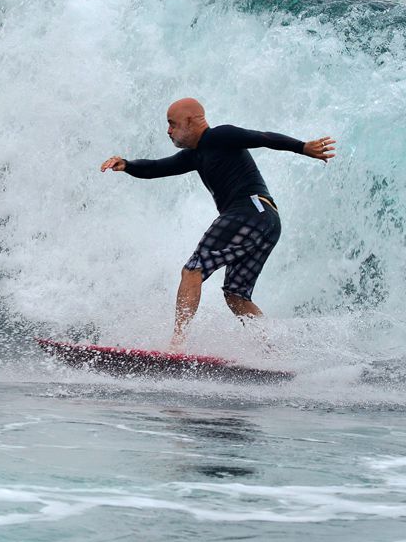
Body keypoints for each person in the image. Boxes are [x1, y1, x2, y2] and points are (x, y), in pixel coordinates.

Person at [100, 97, 335, 352]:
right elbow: (158, 167)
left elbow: (262, 137)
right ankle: (273, 353)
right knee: (236, 295)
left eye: (172, 124)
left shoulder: (220, 136)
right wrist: (128, 165)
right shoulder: (195, 155)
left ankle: (176, 345)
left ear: (190, 121)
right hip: (266, 220)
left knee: (193, 269)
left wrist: (302, 147)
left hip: (249, 210)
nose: (168, 130)